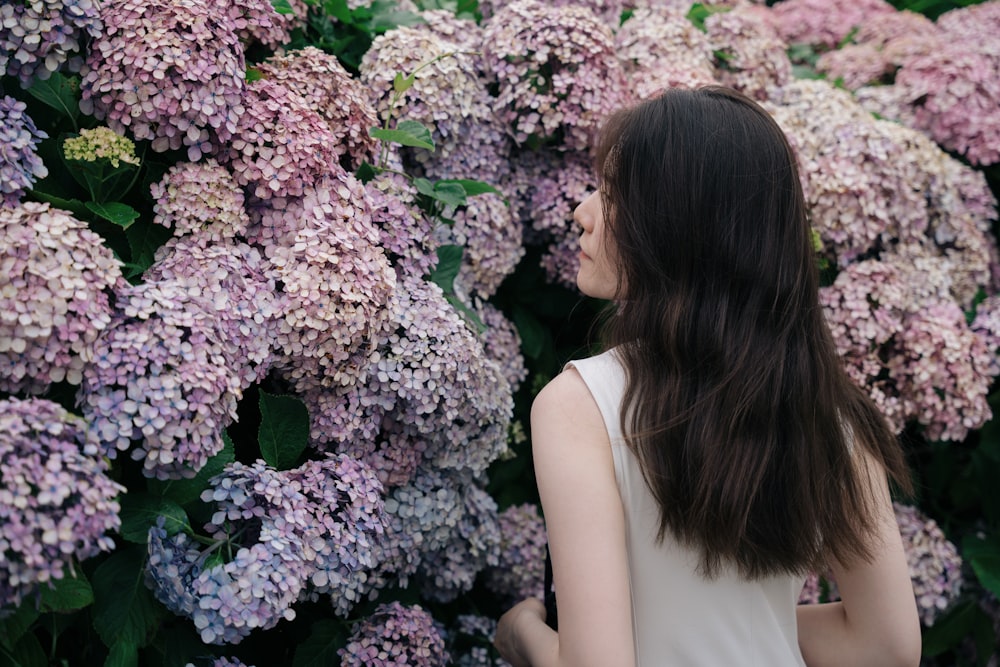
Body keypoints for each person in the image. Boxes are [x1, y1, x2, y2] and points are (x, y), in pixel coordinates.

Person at [494, 86, 921, 667]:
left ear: (677, 227)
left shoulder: (581, 405)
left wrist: (522, 633)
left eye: (613, 193)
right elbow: (886, 647)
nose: (582, 211)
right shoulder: (829, 411)